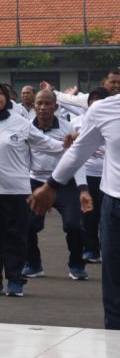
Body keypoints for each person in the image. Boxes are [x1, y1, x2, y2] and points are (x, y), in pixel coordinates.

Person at [30, 90, 119, 329]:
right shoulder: (104, 109)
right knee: (114, 279)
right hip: (115, 205)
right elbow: (78, 151)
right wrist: (51, 185)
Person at [0, 82, 64, 298]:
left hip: (16, 190)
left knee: (16, 237)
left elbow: (45, 143)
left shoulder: (21, 123)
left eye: (0, 93)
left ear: (7, 98)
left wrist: (66, 146)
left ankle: (14, 280)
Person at [24, 89, 88, 281]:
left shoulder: (68, 129)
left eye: (48, 104)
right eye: (39, 104)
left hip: (64, 183)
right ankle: (33, 264)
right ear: (34, 106)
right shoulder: (26, 128)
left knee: (74, 226)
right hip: (35, 182)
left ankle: (76, 265)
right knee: (27, 226)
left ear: (56, 106)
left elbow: (77, 160)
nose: (43, 108)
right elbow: (24, 160)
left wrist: (83, 188)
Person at [77, 87, 110, 263]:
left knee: (106, 215)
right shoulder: (78, 121)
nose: (94, 102)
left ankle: (108, 249)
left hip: (107, 176)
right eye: (92, 99)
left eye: (99, 99)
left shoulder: (112, 120)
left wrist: (99, 148)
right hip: (87, 174)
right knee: (88, 214)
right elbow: (74, 148)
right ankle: (91, 249)